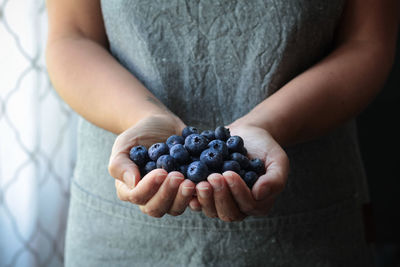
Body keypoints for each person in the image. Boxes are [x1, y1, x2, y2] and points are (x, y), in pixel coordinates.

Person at [46, 0, 399, 266]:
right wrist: (144, 115)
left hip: (311, 218)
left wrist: (267, 125)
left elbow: (366, 42)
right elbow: (73, 36)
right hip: (120, 228)